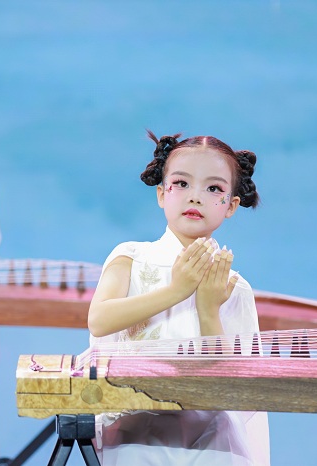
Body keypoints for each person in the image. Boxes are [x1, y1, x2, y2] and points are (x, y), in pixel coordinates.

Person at [87, 131, 270, 465]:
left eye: (213, 189)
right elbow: (99, 321)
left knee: (221, 432)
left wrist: (208, 309)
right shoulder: (131, 257)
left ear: (231, 206)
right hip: (133, 422)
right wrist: (177, 291)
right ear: (161, 194)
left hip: (211, 431)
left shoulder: (233, 286)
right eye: (182, 184)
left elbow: (235, 391)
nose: (195, 197)